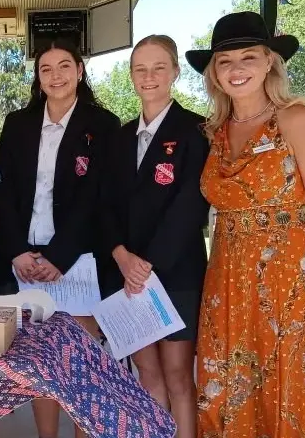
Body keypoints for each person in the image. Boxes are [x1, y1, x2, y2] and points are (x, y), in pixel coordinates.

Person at [187, 11, 305, 437]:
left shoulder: (296, 120)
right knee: (226, 386)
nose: (237, 69)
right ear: (214, 73)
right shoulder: (214, 131)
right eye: (225, 61)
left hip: (288, 278)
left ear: (269, 63)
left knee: (292, 385)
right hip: (226, 277)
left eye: (248, 57)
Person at [0, 38, 120, 438]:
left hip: (78, 259)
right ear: (38, 77)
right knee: (42, 359)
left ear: (80, 71)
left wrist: (60, 257)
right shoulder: (18, 124)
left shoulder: (103, 125)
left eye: (64, 66)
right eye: (46, 69)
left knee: (82, 361)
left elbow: (97, 198)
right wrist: (15, 251)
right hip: (27, 258)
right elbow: (6, 192)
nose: (56, 76)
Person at [98, 35, 210, 438]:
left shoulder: (195, 131)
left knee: (179, 374)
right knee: (147, 372)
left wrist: (147, 265)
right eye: (140, 68)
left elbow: (190, 205)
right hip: (126, 275)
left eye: (158, 67)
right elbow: (104, 203)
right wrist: (122, 257)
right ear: (130, 75)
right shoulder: (119, 136)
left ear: (175, 72)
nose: (149, 77)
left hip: (175, 274)